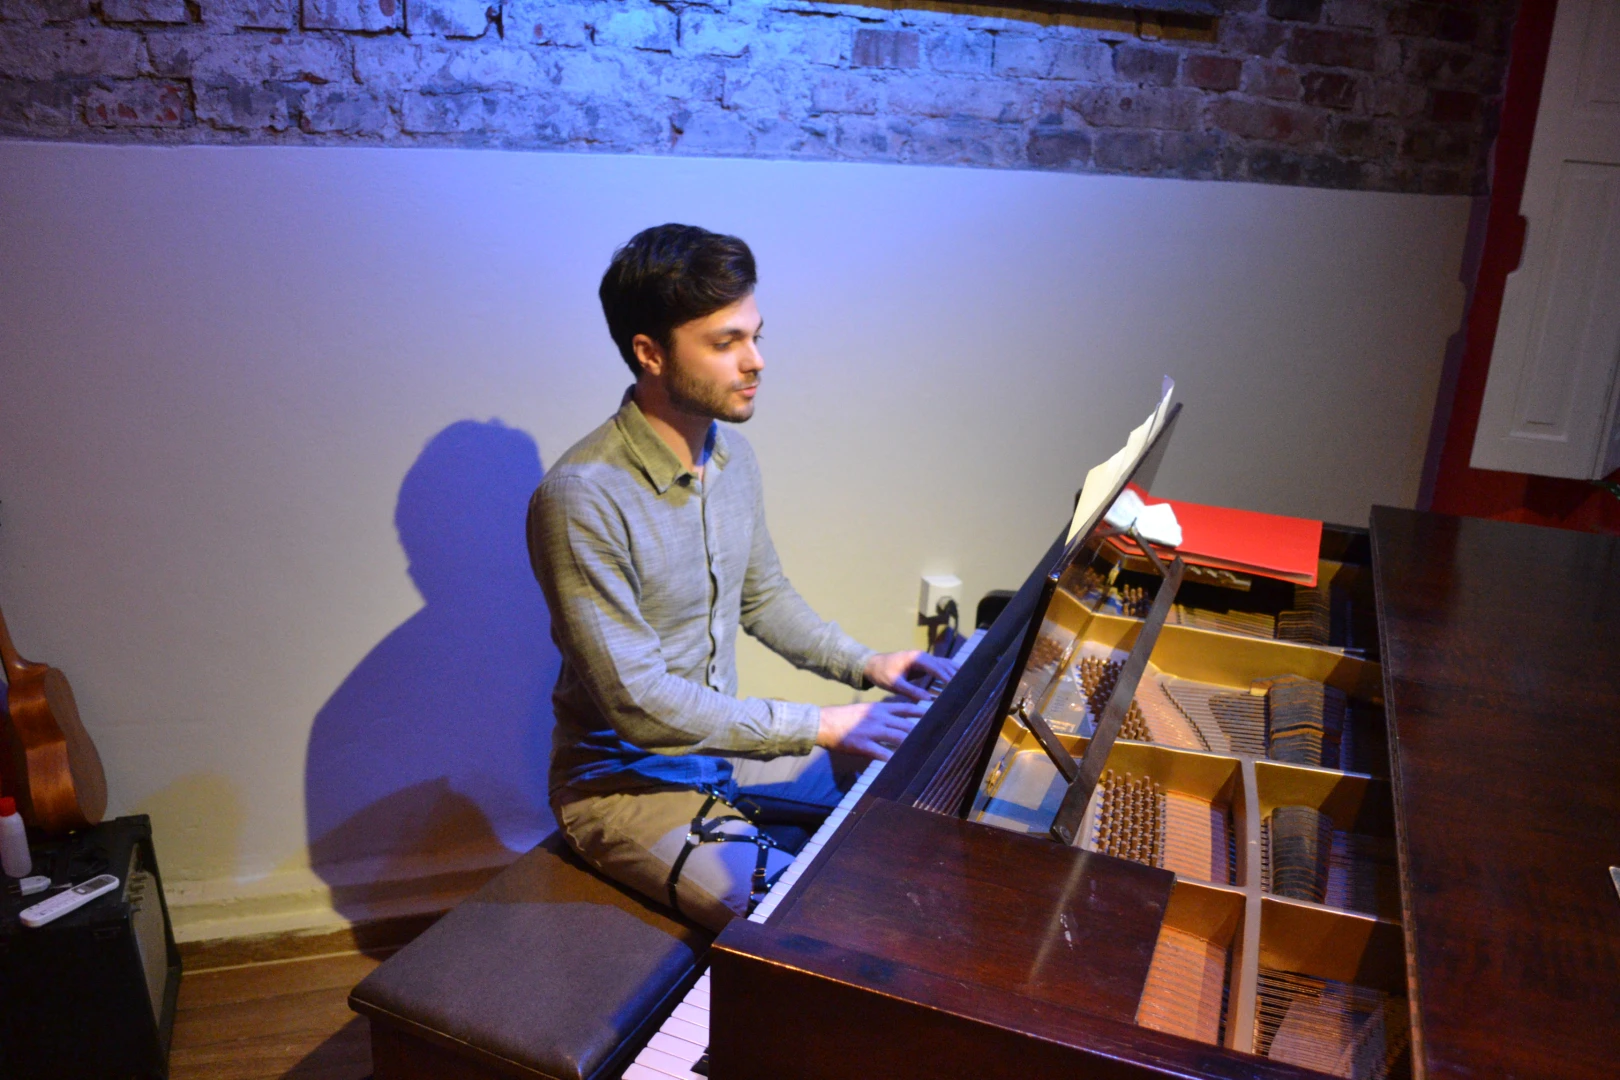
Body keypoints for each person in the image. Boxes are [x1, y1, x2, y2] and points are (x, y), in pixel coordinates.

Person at [527, 224, 956, 930]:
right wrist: (821, 725)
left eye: (755, 337)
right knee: (809, 924)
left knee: (920, 796)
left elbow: (763, 599)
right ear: (651, 353)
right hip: (626, 791)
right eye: (726, 343)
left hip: (719, 761)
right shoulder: (581, 497)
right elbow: (639, 702)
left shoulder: (730, 458)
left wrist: (867, 664)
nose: (756, 361)